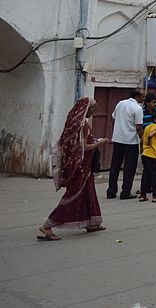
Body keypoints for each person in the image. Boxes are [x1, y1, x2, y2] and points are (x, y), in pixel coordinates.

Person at [38, 98, 109, 241]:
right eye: (92, 109)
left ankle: (91, 222)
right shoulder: (82, 125)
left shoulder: (81, 123)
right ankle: (47, 225)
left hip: (85, 166)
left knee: (89, 193)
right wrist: (99, 143)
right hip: (81, 166)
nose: (93, 112)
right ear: (86, 109)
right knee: (73, 196)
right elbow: (83, 147)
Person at [107, 89, 144, 200]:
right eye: (143, 96)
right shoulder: (138, 109)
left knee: (115, 166)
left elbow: (113, 117)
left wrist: (119, 128)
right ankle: (126, 192)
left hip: (118, 139)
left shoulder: (121, 103)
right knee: (129, 168)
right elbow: (138, 127)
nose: (144, 99)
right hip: (131, 141)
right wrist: (142, 139)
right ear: (137, 96)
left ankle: (111, 191)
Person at [139, 113, 156, 203]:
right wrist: (150, 141)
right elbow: (150, 135)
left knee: (145, 175)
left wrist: (141, 150)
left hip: (145, 153)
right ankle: (155, 196)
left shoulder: (147, 127)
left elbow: (142, 140)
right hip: (153, 154)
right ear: (155, 120)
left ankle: (143, 195)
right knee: (155, 175)